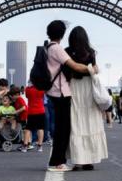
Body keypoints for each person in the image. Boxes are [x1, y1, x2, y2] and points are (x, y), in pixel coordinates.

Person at [44, 20, 97, 172]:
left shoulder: (51, 48)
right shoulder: (58, 49)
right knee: (63, 129)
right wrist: (92, 69)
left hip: (62, 91)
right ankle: (57, 162)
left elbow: (70, 70)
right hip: (62, 92)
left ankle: (61, 160)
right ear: (62, 34)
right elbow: (74, 66)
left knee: (66, 127)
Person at [66, 25, 108, 169]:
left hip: (74, 88)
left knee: (76, 123)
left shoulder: (67, 52)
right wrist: (91, 68)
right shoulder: (91, 53)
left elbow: (66, 72)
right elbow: (94, 71)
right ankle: (89, 160)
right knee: (90, 122)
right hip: (89, 88)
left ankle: (77, 161)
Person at [24, 82, 45, 151]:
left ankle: (25, 145)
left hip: (31, 111)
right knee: (40, 128)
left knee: (28, 128)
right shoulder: (42, 87)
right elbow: (42, 96)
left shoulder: (28, 89)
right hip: (41, 110)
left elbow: (27, 96)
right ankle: (40, 146)